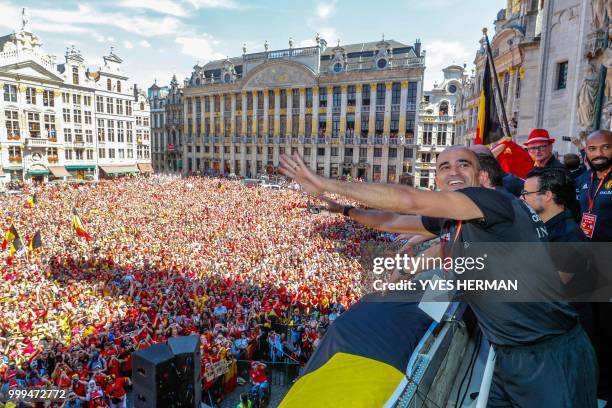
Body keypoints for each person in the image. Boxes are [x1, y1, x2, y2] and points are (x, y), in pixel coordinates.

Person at [280, 148, 598, 407]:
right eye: (444, 167)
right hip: (510, 352)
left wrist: (325, 184)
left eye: (463, 164)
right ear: (438, 177)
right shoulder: (457, 215)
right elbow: (392, 219)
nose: (453, 171)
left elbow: (410, 200)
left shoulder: (495, 201)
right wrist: (342, 210)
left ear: (482, 176)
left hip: (550, 354)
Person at [575, 129, 612, 401]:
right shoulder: (582, 180)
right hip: (586, 263)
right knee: (589, 324)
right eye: (593, 149)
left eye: (605, 148)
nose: (599, 154)